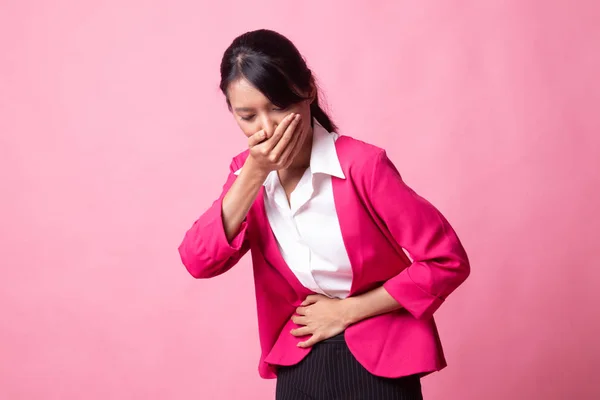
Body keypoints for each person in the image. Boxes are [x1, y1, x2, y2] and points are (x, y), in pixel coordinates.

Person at [178, 29, 470, 400]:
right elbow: (198, 261)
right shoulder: (246, 177)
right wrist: (253, 172)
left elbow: (446, 260)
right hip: (299, 357)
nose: (267, 129)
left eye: (280, 107)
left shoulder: (363, 166)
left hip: (379, 359)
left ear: (309, 90)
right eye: (248, 116)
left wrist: (347, 311)